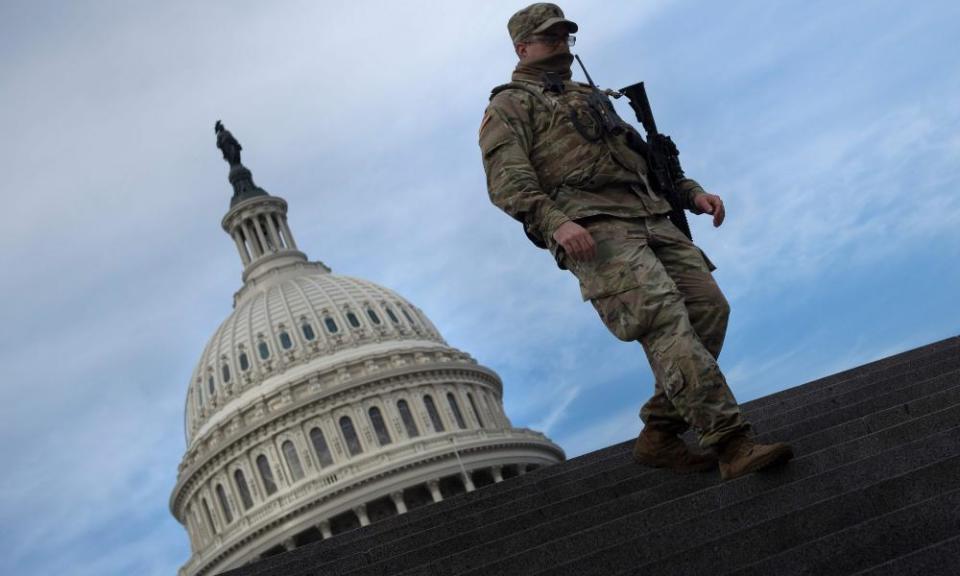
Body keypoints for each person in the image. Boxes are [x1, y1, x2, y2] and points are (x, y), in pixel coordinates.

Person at [478, 3, 793, 480]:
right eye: (549, 38)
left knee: (709, 309)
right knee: (664, 321)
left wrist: (691, 193)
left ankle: (660, 432)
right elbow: (507, 181)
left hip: (651, 215)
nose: (561, 45)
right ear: (522, 48)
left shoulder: (590, 97)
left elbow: (642, 157)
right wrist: (556, 223)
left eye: (565, 36)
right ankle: (732, 443)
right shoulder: (509, 105)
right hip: (594, 230)